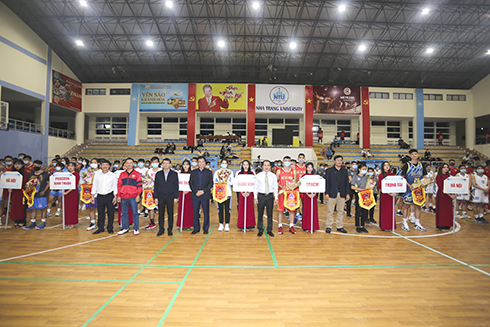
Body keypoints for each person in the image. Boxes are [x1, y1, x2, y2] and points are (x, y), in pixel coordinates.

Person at [400, 149, 428, 232]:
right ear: (410, 156)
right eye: (412, 154)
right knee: (406, 206)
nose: (414, 155)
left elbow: (424, 176)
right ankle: (404, 222)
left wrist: (425, 183)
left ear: (418, 155)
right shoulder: (407, 165)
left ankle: (417, 223)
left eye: (416, 154)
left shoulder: (421, 165)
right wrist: (409, 185)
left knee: (418, 206)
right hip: (409, 189)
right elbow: (402, 177)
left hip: (418, 189)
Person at [324, 155, 350, 233]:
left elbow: (347, 183)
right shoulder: (329, 170)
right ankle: (329, 226)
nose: (339, 161)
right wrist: (326, 193)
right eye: (338, 160)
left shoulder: (345, 171)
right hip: (331, 193)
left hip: (342, 193)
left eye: (341, 160)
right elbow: (326, 182)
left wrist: (347, 193)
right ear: (334, 161)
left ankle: (340, 226)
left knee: (341, 211)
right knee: (330, 211)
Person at [91, 159, 118, 234]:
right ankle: (100, 227)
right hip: (100, 196)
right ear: (100, 166)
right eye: (103, 165)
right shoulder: (97, 175)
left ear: (109, 166)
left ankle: (110, 227)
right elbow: (95, 185)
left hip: (109, 195)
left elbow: (115, 186)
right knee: (100, 213)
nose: (105, 166)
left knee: (111, 213)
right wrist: (92, 195)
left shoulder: (113, 175)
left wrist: (115, 196)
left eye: (106, 165)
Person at [117, 158, 143, 235]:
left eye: (130, 163)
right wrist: (118, 196)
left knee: (135, 213)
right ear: (125, 164)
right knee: (124, 213)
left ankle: (136, 228)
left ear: (133, 164)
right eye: (127, 163)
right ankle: (125, 228)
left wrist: (138, 195)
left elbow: (139, 186)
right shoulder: (122, 174)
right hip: (123, 197)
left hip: (133, 196)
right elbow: (119, 185)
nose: (129, 164)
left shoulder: (137, 174)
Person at [154, 158, 179, 236]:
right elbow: (156, 186)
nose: (165, 164)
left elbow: (176, 186)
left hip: (170, 196)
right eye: (164, 163)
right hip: (160, 196)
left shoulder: (174, 174)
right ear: (161, 164)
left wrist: (176, 197)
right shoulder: (158, 174)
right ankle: (161, 229)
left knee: (170, 214)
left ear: (170, 164)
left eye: (167, 163)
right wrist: (156, 197)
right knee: (160, 214)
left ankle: (170, 229)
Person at [254, 160, 278, 237]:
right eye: (265, 165)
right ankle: (260, 230)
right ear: (262, 166)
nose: (266, 167)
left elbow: (276, 187)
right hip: (261, 196)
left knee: (270, 214)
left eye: (268, 165)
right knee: (260, 214)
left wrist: (276, 197)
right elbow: (255, 187)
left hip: (270, 196)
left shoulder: (273, 176)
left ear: (270, 166)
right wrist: (255, 197)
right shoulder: (258, 176)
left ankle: (269, 230)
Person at [189, 156, 213, 234]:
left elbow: (210, 183)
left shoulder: (208, 172)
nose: (201, 163)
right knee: (195, 213)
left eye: (202, 162)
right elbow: (191, 183)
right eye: (199, 162)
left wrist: (204, 191)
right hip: (195, 194)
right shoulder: (193, 172)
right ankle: (196, 228)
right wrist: (196, 191)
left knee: (206, 212)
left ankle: (205, 228)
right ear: (197, 163)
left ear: (205, 163)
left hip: (205, 195)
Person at [23, 160, 50, 230]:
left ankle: (43, 222)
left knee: (42, 208)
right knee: (32, 209)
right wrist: (27, 187)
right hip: (32, 195)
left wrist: (44, 191)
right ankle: (32, 222)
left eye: (37, 165)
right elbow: (28, 183)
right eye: (34, 165)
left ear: (41, 166)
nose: (36, 166)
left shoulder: (45, 174)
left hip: (41, 194)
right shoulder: (30, 174)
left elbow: (48, 183)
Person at [276, 156, 298, 235]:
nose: (287, 162)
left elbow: (295, 182)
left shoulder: (293, 171)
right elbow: (276, 182)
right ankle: (280, 226)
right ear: (283, 161)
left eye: (289, 160)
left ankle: (291, 226)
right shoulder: (279, 171)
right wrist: (282, 187)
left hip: (290, 194)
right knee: (280, 210)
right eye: (286, 160)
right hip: (282, 193)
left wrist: (293, 186)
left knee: (292, 210)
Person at [213, 159, 234, 232]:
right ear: (220, 164)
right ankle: (221, 223)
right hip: (220, 193)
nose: (224, 164)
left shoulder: (230, 172)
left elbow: (232, 182)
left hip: (227, 192)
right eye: (223, 163)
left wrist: (226, 182)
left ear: (227, 164)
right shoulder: (217, 172)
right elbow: (214, 181)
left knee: (227, 208)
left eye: (225, 163)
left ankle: (227, 224)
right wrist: (219, 182)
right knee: (220, 208)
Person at [435, 163, 456, 231]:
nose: (446, 168)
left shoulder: (449, 177)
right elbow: (441, 187)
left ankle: (447, 225)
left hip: (448, 196)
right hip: (442, 195)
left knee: (448, 210)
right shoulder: (438, 176)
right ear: (441, 168)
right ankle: (441, 225)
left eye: (447, 167)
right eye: (444, 167)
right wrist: (451, 195)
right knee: (442, 210)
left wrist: (454, 194)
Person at [351, 163, 371, 233]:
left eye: (366, 169)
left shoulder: (367, 177)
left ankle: (362, 225)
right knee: (358, 210)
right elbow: (352, 186)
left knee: (365, 210)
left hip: (366, 196)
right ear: (359, 169)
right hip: (358, 195)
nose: (365, 171)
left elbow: (370, 185)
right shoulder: (355, 177)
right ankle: (358, 226)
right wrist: (360, 189)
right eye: (363, 169)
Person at [236, 160, 256, 230]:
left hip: (249, 194)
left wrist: (249, 192)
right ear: (242, 165)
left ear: (249, 165)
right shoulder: (239, 173)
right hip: (242, 194)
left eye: (247, 164)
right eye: (244, 164)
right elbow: (237, 184)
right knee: (242, 208)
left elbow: (254, 184)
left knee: (249, 208)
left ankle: (249, 225)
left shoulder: (252, 173)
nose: (245, 166)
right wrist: (242, 192)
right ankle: (241, 225)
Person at [82, 158, 100, 231]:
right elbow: (86, 181)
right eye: (92, 162)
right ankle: (92, 223)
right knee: (91, 208)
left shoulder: (101, 172)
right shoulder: (88, 172)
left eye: (95, 162)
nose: (93, 164)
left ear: (98, 163)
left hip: (99, 193)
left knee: (99, 209)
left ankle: (100, 223)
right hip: (90, 193)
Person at [144, 157, 161, 230]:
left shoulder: (161, 170)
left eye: (156, 162)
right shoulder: (148, 171)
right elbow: (145, 181)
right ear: (151, 163)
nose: (155, 163)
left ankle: (161, 224)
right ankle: (152, 222)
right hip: (150, 191)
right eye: (153, 162)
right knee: (150, 208)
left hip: (160, 191)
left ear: (158, 163)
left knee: (161, 207)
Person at [301, 162, 319, 232]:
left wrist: (314, 193)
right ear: (306, 168)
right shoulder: (304, 176)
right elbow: (302, 186)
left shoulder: (315, 176)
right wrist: (307, 194)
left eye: (311, 167)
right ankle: (306, 226)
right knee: (306, 210)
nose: (309, 168)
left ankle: (313, 227)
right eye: (308, 167)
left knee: (313, 210)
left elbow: (317, 185)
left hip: (313, 195)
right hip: (306, 195)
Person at [378, 161, 396, 231]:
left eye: (388, 165)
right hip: (385, 195)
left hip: (392, 195)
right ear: (382, 167)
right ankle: (384, 226)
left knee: (391, 211)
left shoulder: (392, 175)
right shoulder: (381, 175)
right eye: (385, 165)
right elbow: (381, 186)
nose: (387, 166)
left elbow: (395, 185)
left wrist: (394, 193)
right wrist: (389, 193)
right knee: (385, 211)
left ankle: (390, 225)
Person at [177, 159, 194, 230]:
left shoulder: (192, 174)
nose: (185, 166)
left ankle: (188, 224)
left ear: (189, 166)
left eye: (187, 164)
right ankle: (182, 224)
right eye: (184, 164)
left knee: (189, 209)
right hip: (181, 193)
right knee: (181, 208)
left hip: (189, 193)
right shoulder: (179, 174)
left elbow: (194, 184)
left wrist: (188, 190)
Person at [10, 159, 27, 227]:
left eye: (19, 164)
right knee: (14, 206)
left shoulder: (25, 173)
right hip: (14, 191)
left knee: (21, 206)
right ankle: (16, 221)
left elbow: (25, 182)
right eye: (15, 164)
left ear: (22, 165)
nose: (17, 166)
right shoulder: (11, 173)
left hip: (21, 191)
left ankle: (22, 221)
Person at [63, 162, 80, 228]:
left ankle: (72, 222)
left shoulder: (76, 174)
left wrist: (67, 192)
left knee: (72, 207)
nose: (70, 167)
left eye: (72, 166)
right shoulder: (66, 174)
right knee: (66, 207)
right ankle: (67, 222)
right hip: (66, 191)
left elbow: (74, 185)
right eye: (69, 166)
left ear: (74, 167)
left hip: (73, 192)